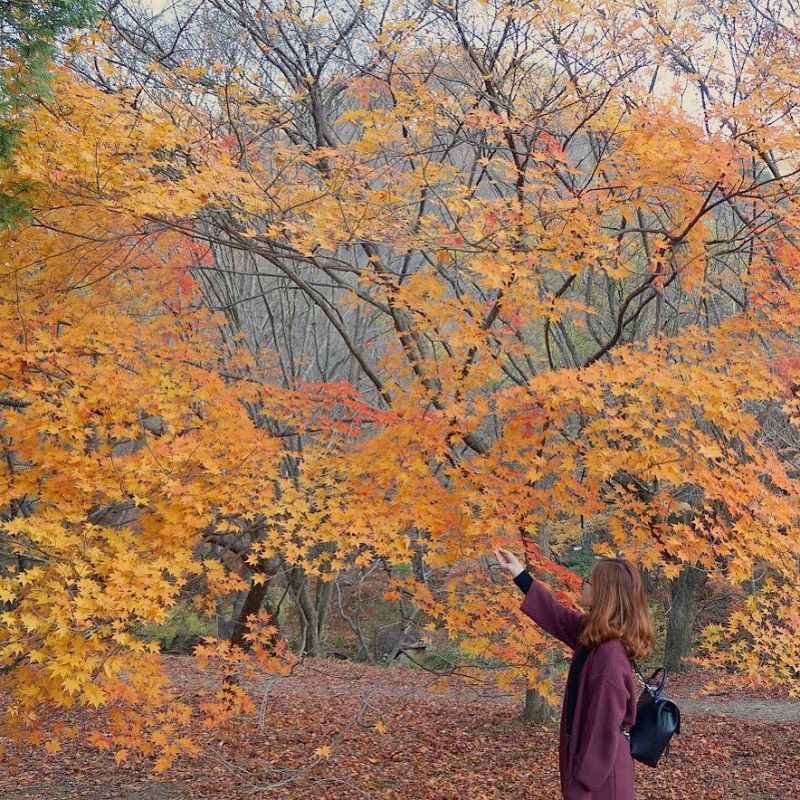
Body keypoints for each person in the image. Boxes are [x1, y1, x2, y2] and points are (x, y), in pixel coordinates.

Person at [494, 548, 655, 800]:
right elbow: (556, 616)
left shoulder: (610, 656)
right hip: (591, 772)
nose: (584, 584)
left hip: (600, 782)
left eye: (590, 581)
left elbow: (603, 731)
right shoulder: (596, 634)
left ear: (606, 594)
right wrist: (519, 574)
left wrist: (581, 785)